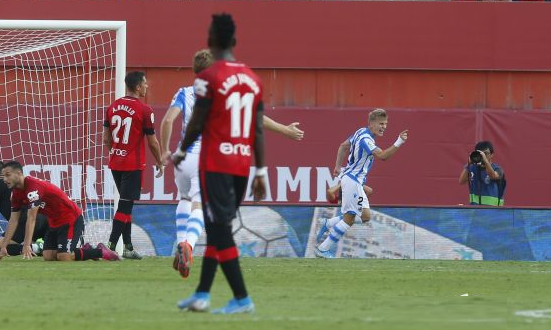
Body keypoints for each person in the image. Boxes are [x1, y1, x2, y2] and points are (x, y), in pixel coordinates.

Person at [161, 49, 303, 278]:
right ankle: (188, 245)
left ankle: (180, 245)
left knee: (184, 199)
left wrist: (165, 149)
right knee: (200, 203)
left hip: (182, 157)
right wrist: (285, 130)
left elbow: (168, 120)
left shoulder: (184, 92)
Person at [172, 14, 265, 314]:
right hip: (242, 165)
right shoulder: (253, 78)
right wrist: (261, 170)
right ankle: (201, 294)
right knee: (216, 228)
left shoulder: (208, 79)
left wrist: (181, 150)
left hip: (215, 164)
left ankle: (242, 298)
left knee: (219, 232)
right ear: (235, 41)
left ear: (210, 42)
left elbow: (197, 121)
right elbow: (258, 128)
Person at [314, 109, 408, 259]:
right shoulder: (366, 140)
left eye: (385, 124)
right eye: (380, 124)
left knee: (365, 216)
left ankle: (328, 223)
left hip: (352, 179)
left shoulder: (360, 132)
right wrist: (399, 142)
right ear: (371, 124)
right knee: (350, 218)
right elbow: (383, 156)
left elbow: (343, 146)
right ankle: (322, 249)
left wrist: (338, 166)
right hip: (353, 181)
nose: (384, 127)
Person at [0, 161, 118, 261]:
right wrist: (4, 246)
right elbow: (13, 220)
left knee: (64, 257)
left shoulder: (32, 187)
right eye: (3, 175)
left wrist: (26, 245)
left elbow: (32, 219)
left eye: (7, 175)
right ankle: (85, 249)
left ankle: (100, 251)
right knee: (48, 256)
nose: (4, 179)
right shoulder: (16, 193)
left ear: (19, 173)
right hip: (53, 222)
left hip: (70, 218)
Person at [103, 71, 164, 259]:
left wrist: (117, 151)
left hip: (115, 162)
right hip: (133, 165)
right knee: (125, 205)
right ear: (137, 87)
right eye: (145, 83)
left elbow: (106, 139)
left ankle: (128, 247)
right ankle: (111, 244)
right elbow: (153, 142)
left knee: (125, 204)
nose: (147, 86)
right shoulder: (145, 110)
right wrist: (160, 161)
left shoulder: (112, 106)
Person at [0, 161, 49, 256]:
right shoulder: (19, 185)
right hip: (44, 219)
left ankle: (36, 248)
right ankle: (43, 246)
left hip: (25, 221)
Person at [459, 141, 505, 206]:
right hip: (474, 210)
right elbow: (461, 181)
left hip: (493, 211)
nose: (483, 156)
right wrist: (469, 163)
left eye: (485, 153)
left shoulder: (497, 169)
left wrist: (485, 161)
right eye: (480, 154)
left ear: (492, 154)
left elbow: (493, 176)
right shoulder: (472, 167)